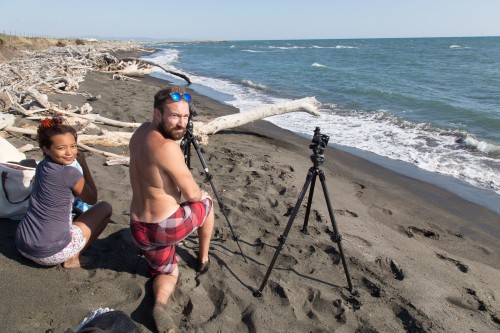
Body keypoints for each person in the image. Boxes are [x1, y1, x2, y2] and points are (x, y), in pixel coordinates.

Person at [129, 85, 214, 333]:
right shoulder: (168, 147)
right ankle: (203, 259)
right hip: (162, 227)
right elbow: (192, 194)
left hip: (138, 229)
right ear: (158, 114)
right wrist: (201, 194)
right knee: (206, 203)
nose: (181, 123)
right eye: (174, 116)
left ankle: (160, 305)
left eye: (185, 116)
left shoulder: (139, 132)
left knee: (167, 272)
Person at [15, 114, 112, 269]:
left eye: (73, 146)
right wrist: (84, 165)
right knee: (105, 207)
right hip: (49, 254)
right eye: (61, 148)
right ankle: (73, 259)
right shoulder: (69, 173)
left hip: (22, 245)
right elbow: (92, 199)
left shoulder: (42, 166)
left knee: (73, 210)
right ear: (46, 149)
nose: (69, 153)